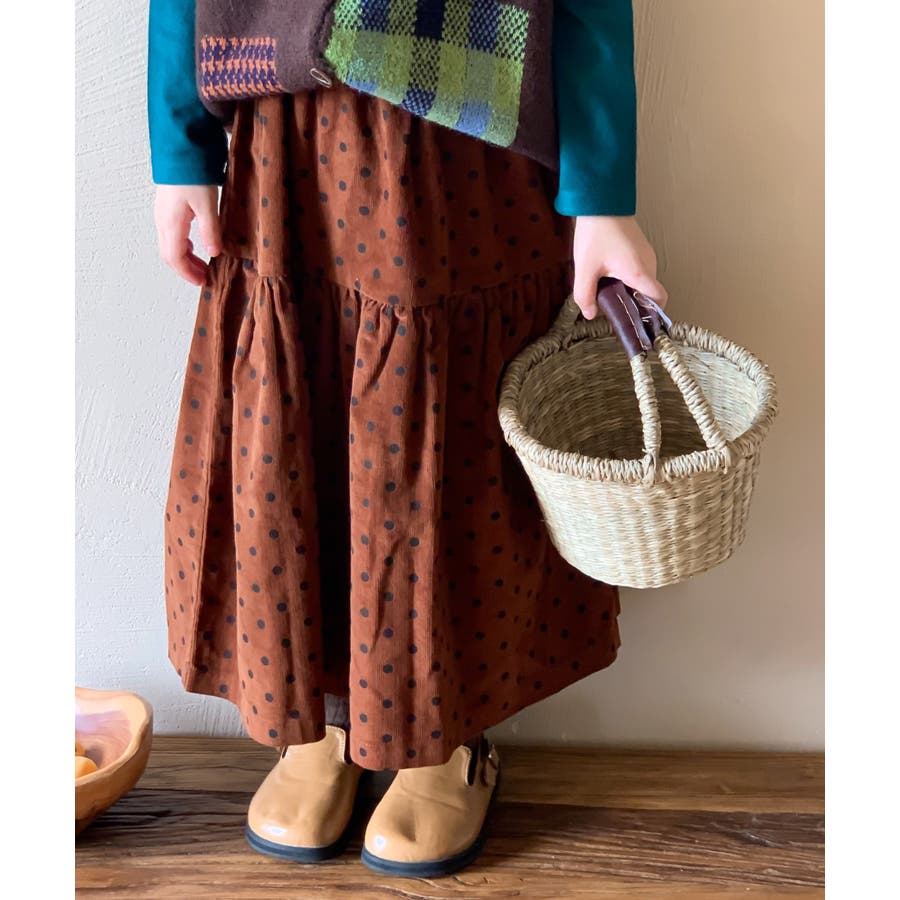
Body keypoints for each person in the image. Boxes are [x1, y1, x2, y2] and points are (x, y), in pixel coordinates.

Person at [147, 0, 667, 878]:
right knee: (293, 422)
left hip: (467, 138)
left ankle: (446, 737)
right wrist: (179, 150)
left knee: (441, 444)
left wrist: (602, 193)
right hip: (286, 138)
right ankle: (314, 726)